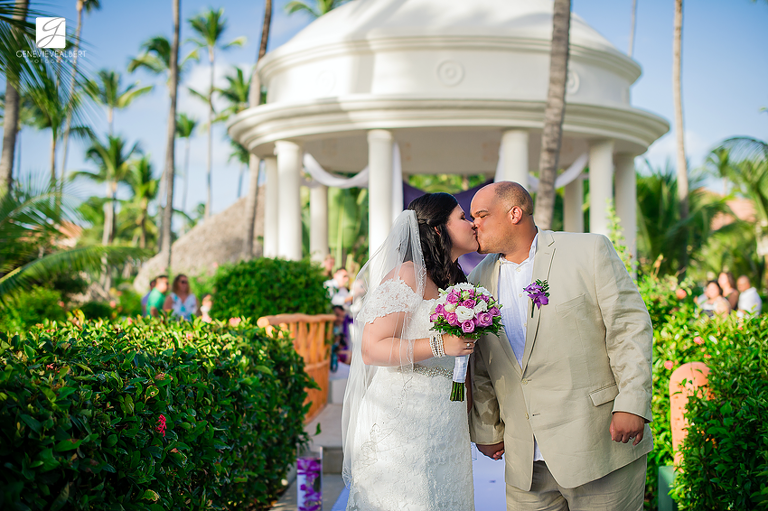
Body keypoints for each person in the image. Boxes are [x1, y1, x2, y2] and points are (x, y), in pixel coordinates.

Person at [468, 182, 653, 511]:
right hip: (525, 464)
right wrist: (487, 427)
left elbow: (628, 327)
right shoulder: (477, 280)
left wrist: (632, 402)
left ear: (515, 213)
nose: (474, 224)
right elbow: (482, 362)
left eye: (481, 215)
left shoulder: (588, 251)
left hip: (598, 445)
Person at [343, 192, 479, 511]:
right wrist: (439, 345)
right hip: (405, 418)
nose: (472, 224)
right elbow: (372, 347)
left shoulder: (457, 281)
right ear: (436, 229)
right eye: (462, 217)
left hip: (447, 421)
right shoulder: (408, 274)